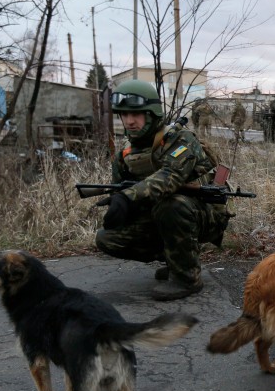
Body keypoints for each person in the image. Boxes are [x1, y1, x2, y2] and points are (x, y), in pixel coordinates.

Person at [94, 79, 232, 301]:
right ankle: (176, 259)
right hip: (161, 216)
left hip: (203, 215)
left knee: (172, 204)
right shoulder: (126, 156)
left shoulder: (180, 140)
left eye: (136, 114)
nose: (129, 121)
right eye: (124, 115)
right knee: (106, 238)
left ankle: (187, 277)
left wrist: (127, 198)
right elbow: (122, 196)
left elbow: (170, 177)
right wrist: (119, 207)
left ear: (151, 114)